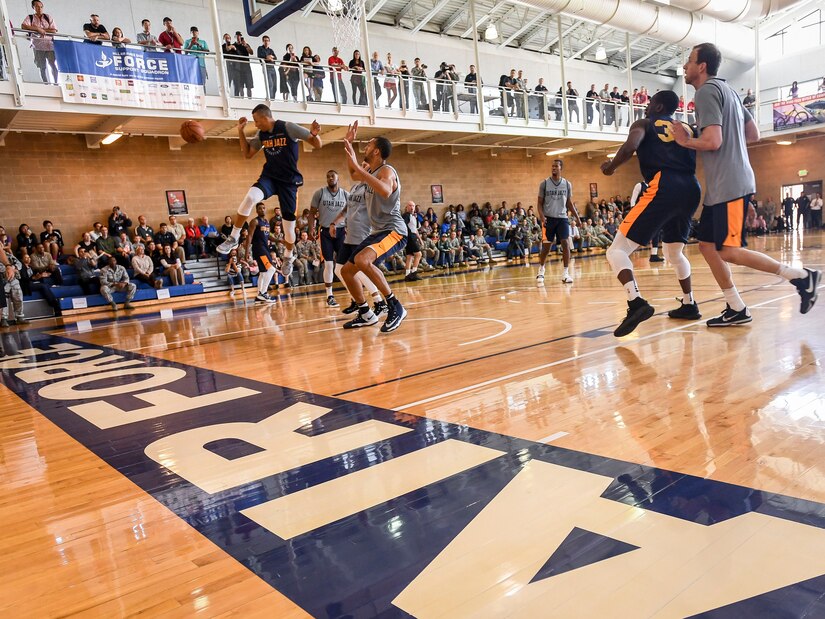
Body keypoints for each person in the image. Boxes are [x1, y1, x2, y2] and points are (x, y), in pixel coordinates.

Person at [672, 42, 820, 325]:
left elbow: (713, 141)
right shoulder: (730, 91)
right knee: (706, 246)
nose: (685, 67)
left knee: (729, 251)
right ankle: (736, 307)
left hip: (730, 185)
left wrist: (686, 140)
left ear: (702, 66)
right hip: (726, 185)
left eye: (689, 61)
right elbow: (752, 134)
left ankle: (802, 277)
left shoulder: (705, 93)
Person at [601, 90, 703, 337]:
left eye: (649, 104)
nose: (645, 108)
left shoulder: (645, 123)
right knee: (674, 252)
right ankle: (689, 303)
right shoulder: (686, 128)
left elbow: (631, 146)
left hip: (663, 185)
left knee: (616, 250)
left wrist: (611, 168)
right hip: (691, 188)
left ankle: (636, 302)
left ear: (658, 107)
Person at [215, 105, 322, 285]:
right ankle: (233, 237)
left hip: (289, 182)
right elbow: (248, 154)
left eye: (256, 121)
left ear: (265, 117)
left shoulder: (288, 127)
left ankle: (288, 255)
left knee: (289, 231)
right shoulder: (262, 135)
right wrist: (240, 131)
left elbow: (317, 144)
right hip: (270, 178)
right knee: (250, 197)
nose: (256, 125)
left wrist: (314, 134)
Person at [339, 123, 407, 332]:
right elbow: (353, 174)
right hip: (379, 232)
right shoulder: (372, 171)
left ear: (376, 151)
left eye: (368, 145)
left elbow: (386, 191)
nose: (365, 147)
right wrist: (348, 143)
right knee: (347, 271)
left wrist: (362, 170)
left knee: (362, 260)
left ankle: (395, 306)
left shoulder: (386, 170)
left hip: (395, 231)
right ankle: (366, 313)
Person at [335, 161, 388, 316]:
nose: (361, 167)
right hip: (350, 234)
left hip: (362, 233)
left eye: (365, 165)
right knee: (339, 269)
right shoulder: (355, 187)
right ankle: (356, 300)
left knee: (357, 270)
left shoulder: (371, 188)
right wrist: (336, 222)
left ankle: (379, 302)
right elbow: (348, 208)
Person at [536, 159, 582, 284]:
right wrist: (541, 215)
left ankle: (566, 273)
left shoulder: (567, 184)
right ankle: (541, 270)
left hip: (562, 218)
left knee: (566, 244)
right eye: (552, 166)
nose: (553, 168)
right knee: (546, 247)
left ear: (561, 168)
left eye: (556, 166)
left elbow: (569, 203)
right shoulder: (544, 183)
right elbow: (539, 203)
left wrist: (577, 218)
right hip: (548, 219)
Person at [309, 170, 349, 306]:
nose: (330, 178)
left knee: (344, 264)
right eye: (328, 176)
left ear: (338, 178)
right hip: (325, 231)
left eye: (332, 176)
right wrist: (311, 228)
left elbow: (352, 213)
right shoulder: (319, 193)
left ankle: (353, 293)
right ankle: (329, 295)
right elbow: (312, 213)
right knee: (329, 264)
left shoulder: (345, 194)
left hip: (341, 232)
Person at [244, 203, 279, 303]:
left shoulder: (266, 222)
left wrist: (279, 240)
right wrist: (247, 251)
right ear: (256, 211)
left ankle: (259, 295)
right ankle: (263, 293)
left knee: (263, 273)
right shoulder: (255, 221)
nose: (262, 210)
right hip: (259, 249)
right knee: (271, 269)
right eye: (259, 208)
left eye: (263, 208)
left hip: (265, 248)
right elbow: (249, 236)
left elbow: (268, 236)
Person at [20, 1, 58, 85]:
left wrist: (42, 30)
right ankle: (46, 84)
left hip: (49, 45)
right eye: (37, 6)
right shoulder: (30, 17)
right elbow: (23, 26)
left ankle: (56, 83)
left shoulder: (48, 17)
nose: (39, 9)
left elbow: (54, 30)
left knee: (53, 65)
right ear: (33, 7)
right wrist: (37, 29)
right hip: (37, 46)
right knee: (42, 67)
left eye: (41, 7)